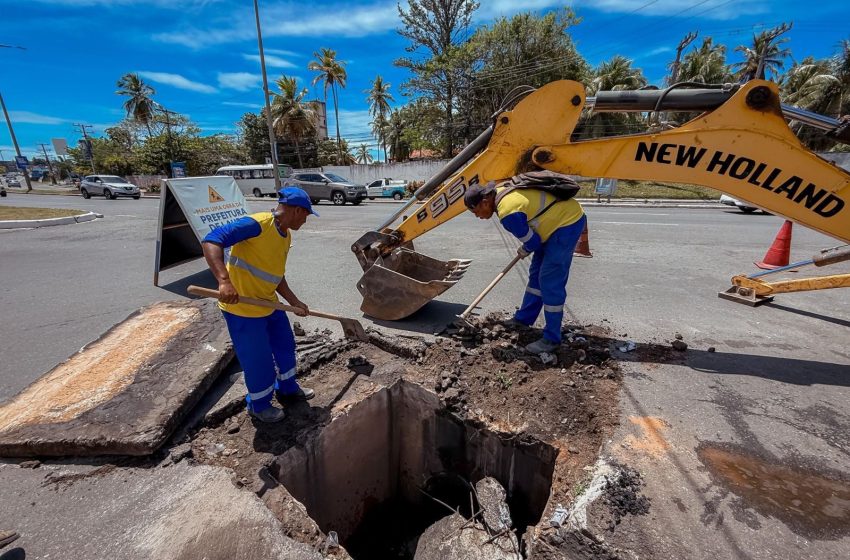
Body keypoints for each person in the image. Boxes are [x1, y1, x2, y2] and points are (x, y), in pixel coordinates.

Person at [202, 186, 317, 423]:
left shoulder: (285, 235)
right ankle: (259, 405)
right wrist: (224, 281)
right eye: (306, 215)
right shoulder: (257, 224)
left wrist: (294, 302)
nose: (306, 221)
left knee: (286, 347)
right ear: (297, 211)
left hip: (269, 305)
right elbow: (212, 240)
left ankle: (287, 388)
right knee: (258, 360)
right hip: (243, 310)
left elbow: (275, 275)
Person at [464, 179, 587, 354]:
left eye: (476, 212)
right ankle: (524, 319)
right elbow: (533, 240)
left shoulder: (508, 213)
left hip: (566, 224)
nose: (478, 217)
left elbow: (534, 242)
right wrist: (527, 246)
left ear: (485, 202)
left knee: (550, 281)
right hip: (553, 224)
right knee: (536, 274)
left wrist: (526, 248)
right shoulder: (498, 192)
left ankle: (552, 339)